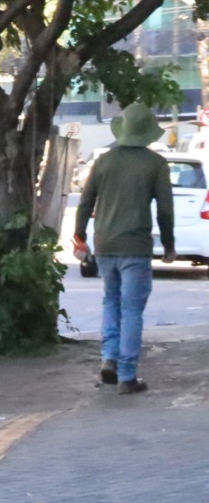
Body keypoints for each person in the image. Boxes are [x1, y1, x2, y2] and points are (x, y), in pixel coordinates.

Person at [73, 103, 175, 393]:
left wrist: (80, 235)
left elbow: (85, 201)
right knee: (131, 309)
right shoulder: (156, 164)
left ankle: (109, 359)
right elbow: (165, 210)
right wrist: (168, 243)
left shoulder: (103, 161)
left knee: (111, 300)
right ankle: (127, 375)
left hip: (104, 244)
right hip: (136, 246)